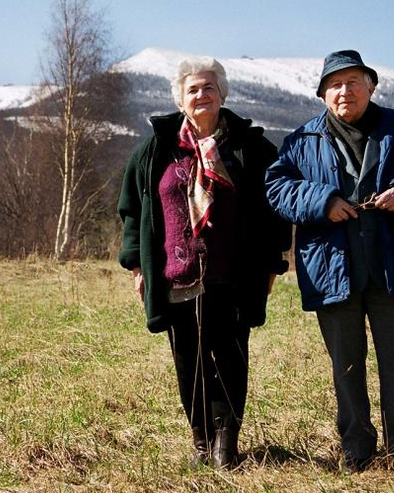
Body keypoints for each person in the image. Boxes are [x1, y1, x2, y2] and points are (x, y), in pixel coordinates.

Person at [264, 50, 394, 472]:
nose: (344, 91)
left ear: (371, 87)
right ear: (322, 95)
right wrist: (323, 201)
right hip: (332, 269)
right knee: (346, 366)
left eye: (354, 81)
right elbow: (276, 188)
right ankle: (356, 445)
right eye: (334, 84)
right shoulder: (301, 141)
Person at [117, 57, 291, 467]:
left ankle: (225, 443)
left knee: (230, 357)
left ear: (222, 94)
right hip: (177, 276)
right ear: (181, 98)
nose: (201, 95)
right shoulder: (155, 149)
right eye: (192, 89)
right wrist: (138, 266)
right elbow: (132, 210)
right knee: (188, 363)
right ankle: (201, 438)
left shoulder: (251, 149)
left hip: (234, 273)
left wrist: (271, 264)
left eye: (208, 87)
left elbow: (274, 211)